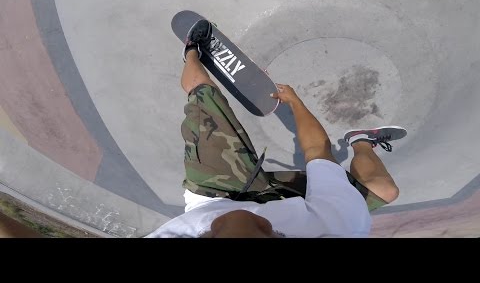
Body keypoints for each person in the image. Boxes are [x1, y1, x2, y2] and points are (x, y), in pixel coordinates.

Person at [146, 20, 407, 238]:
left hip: (214, 195)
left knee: (204, 98)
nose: (243, 219)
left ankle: (191, 51)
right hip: (290, 209)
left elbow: (237, 224)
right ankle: (360, 140)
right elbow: (317, 150)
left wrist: (295, 102)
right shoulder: (339, 227)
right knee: (384, 191)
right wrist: (295, 102)